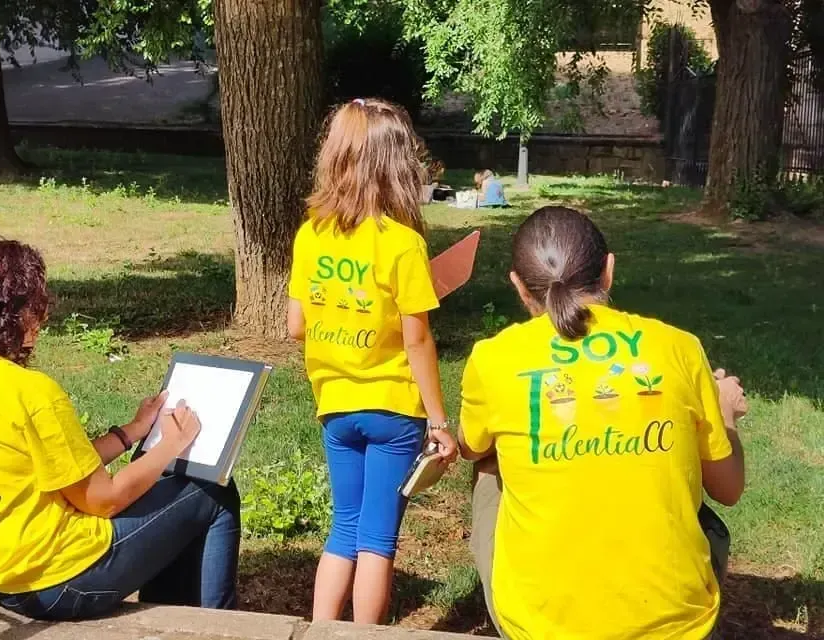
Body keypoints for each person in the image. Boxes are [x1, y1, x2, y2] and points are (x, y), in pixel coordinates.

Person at [0, 237, 240, 621]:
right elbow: (103, 500)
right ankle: (222, 626)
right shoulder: (30, 390)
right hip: (61, 583)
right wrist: (172, 444)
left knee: (166, 496)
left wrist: (132, 432)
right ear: (5, 314)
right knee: (212, 490)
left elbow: (52, 467)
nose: (42, 317)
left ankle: (176, 614)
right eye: (34, 305)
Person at [458, 206, 747, 639]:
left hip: (539, 629)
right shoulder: (680, 349)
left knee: (488, 462)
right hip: (677, 628)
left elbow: (469, 446)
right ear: (608, 271)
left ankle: (536, 591)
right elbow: (728, 489)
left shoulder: (492, 358)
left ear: (519, 286)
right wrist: (725, 413)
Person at [287, 98, 459, 624]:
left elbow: (296, 326)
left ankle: (319, 632)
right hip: (393, 409)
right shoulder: (403, 245)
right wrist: (439, 421)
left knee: (344, 527)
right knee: (378, 538)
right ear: (397, 164)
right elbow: (417, 341)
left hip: (335, 406)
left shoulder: (310, 234)